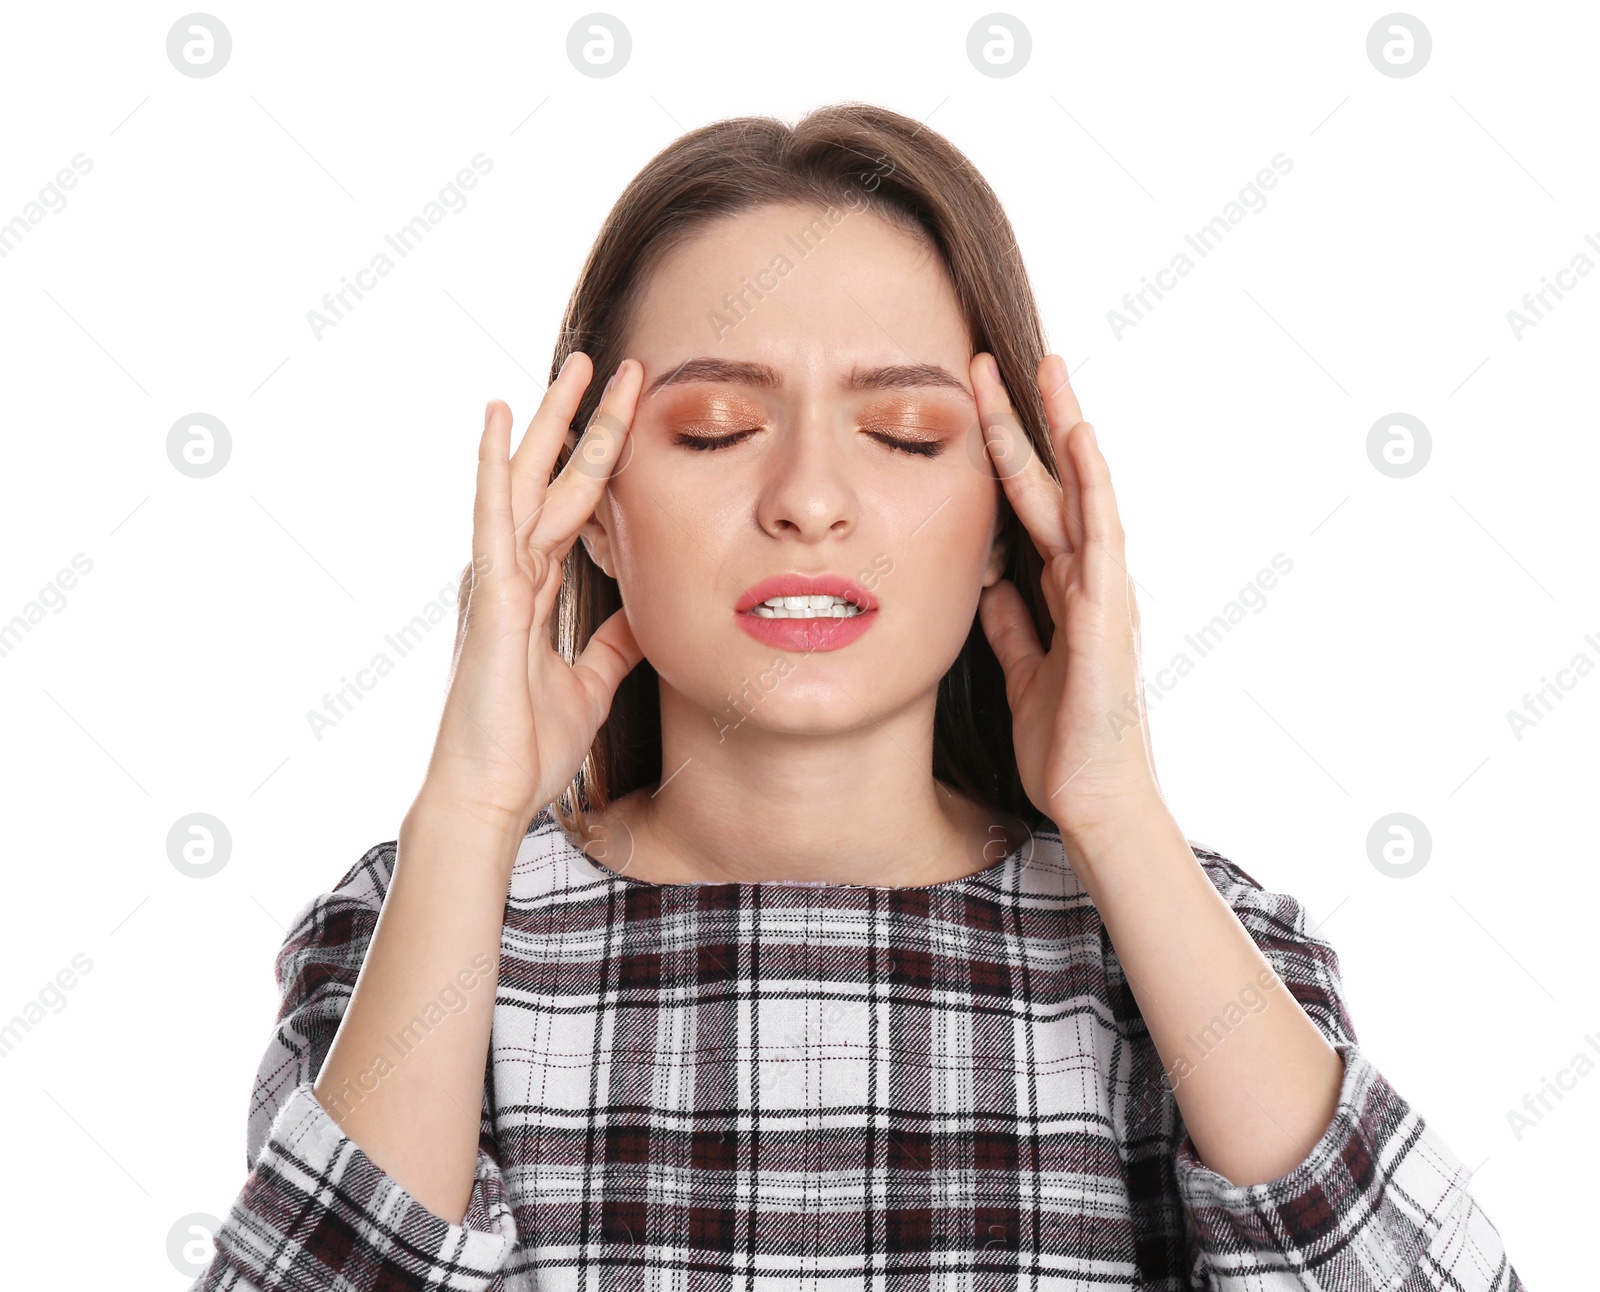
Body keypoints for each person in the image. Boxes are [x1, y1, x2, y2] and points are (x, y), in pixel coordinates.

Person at [194, 103, 1525, 1290]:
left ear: (1006, 513)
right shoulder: (416, 925)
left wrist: (1117, 810)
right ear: (591, 513)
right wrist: (472, 815)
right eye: (717, 430)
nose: (811, 500)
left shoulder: (1189, 940)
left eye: (905, 435)